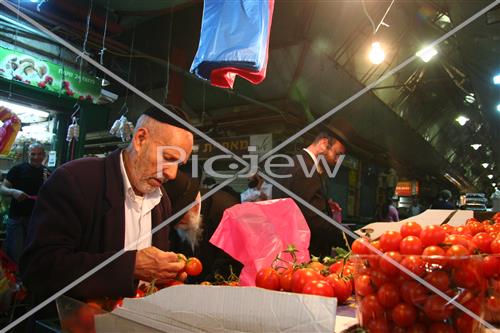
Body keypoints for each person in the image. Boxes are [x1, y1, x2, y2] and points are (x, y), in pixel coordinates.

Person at [19, 106, 194, 317]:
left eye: (179, 164)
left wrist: (165, 274)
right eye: (167, 157)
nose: (173, 174)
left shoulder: (161, 201)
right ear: (140, 139)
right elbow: (39, 269)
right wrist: (131, 266)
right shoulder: (76, 180)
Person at [272, 132, 346, 258]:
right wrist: (351, 239)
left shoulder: (291, 164)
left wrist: (323, 204)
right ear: (324, 144)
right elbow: (316, 222)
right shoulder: (306, 170)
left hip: (285, 250)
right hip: (304, 256)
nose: (337, 161)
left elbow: (298, 206)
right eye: (337, 154)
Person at [166, 171, 242, 283]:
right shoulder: (176, 220)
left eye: (179, 217)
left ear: (195, 205)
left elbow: (230, 262)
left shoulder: (226, 211)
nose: (176, 224)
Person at [0, 142, 48, 264]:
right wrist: (13, 192)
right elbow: (2, 189)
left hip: (37, 220)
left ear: (44, 155)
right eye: (33, 154)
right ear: (28, 154)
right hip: (17, 218)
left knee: (32, 254)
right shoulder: (17, 169)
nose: (36, 157)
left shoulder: (47, 173)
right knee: (15, 254)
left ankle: (25, 279)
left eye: (39, 154)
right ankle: (14, 279)